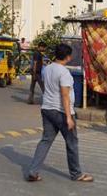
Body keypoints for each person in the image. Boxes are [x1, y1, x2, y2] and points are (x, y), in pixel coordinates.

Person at [26, 43, 93, 183]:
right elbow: (65, 95)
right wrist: (69, 117)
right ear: (68, 57)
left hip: (47, 109)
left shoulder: (47, 69)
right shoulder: (64, 73)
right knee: (72, 143)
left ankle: (33, 171)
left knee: (45, 140)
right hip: (61, 111)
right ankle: (76, 174)